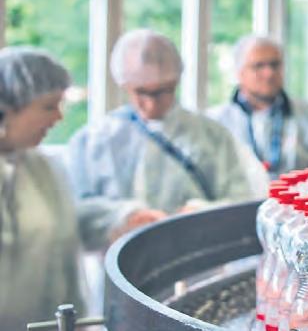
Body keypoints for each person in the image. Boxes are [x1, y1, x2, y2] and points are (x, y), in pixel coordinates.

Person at [67, 29, 265, 243]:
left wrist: (202, 213)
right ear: (124, 85)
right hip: (116, 257)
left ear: (176, 82)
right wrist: (123, 216)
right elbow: (75, 211)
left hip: (195, 255)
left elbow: (243, 202)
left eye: (162, 91)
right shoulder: (94, 140)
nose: (152, 103)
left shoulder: (212, 136)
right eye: (141, 92)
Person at [0, 47, 91, 331]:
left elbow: (66, 257)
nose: (59, 118)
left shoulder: (43, 168)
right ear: (8, 108)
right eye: (49, 106)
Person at [208, 35, 308, 175]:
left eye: (275, 65)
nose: (269, 73)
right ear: (240, 73)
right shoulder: (215, 123)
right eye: (259, 66)